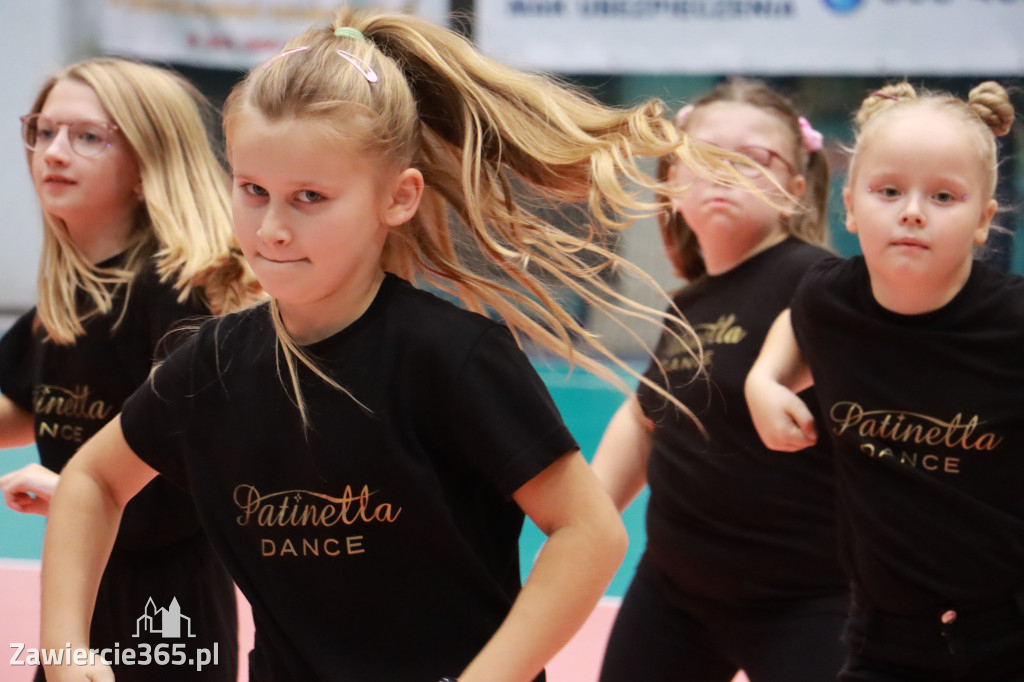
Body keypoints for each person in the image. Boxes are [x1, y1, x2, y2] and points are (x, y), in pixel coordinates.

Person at [34, 9, 766, 682]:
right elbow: (92, 483)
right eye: (253, 190)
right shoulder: (211, 363)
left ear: (399, 196)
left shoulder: (451, 357)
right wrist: (67, 652)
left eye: (310, 198)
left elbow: (589, 532)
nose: (273, 227)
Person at [745, 81, 1022, 681]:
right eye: (889, 191)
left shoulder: (1013, 322)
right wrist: (763, 381)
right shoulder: (829, 298)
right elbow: (798, 316)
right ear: (849, 203)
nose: (913, 211)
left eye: (944, 196)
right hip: (883, 640)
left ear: (983, 219)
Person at [0, 57, 261, 681]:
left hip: (168, 604)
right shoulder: (69, 291)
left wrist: (75, 495)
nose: (54, 152)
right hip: (84, 583)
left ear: (147, 167)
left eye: (88, 136)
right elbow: (25, 402)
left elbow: (200, 466)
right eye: (43, 130)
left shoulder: (174, 293)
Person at [592, 78, 849, 682]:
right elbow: (648, 415)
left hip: (808, 603)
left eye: (754, 158)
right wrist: (582, 518)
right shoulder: (686, 304)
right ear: (672, 182)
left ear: (793, 189)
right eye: (704, 157)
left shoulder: (821, 283)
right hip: (673, 596)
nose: (725, 172)